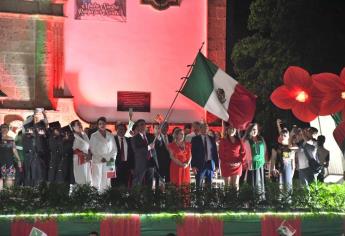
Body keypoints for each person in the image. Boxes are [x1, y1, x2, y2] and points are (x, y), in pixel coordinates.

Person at [90, 117, 117, 192]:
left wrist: (111, 158)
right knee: (97, 177)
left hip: (109, 160)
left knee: (108, 179)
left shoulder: (110, 135)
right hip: (98, 159)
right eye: (100, 124)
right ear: (97, 125)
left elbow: (114, 149)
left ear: (106, 124)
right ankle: (95, 196)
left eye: (103, 123)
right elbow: (92, 149)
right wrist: (101, 158)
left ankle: (106, 194)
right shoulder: (94, 135)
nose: (102, 125)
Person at [191, 123, 219, 188]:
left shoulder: (212, 139)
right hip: (199, 164)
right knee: (199, 184)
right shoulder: (195, 139)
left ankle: (208, 198)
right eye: (203, 127)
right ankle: (199, 197)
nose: (205, 129)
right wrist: (193, 166)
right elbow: (193, 153)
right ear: (200, 129)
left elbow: (215, 153)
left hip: (210, 164)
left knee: (209, 185)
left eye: (207, 127)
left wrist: (217, 165)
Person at [218, 124, 245, 190]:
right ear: (227, 130)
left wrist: (240, 161)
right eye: (230, 128)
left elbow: (243, 152)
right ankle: (227, 200)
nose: (231, 130)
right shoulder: (223, 140)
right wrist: (228, 163)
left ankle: (235, 200)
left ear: (236, 131)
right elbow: (221, 154)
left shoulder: (240, 141)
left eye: (233, 129)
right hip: (226, 165)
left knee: (235, 185)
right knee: (227, 185)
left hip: (237, 165)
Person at [131, 119, 156, 187]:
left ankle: (148, 197)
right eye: (141, 124)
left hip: (150, 162)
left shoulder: (151, 136)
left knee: (149, 183)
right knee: (138, 183)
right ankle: (136, 197)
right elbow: (136, 151)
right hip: (140, 163)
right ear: (138, 127)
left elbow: (158, 145)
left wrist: (158, 136)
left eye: (144, 124)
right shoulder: (134, 138)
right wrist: (148, 147)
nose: (143, 126)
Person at [245, 123, 267, 200]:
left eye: (256, 129)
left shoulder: (261, 139)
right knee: (253, 182)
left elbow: (264, 150)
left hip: (261, 164)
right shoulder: (247, 140)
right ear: (249, 130)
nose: (254, 131)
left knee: (260, 181)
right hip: (252, 164)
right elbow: (246, 153)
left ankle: (261, 199)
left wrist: (264, 161)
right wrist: (249, 162)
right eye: (253, 129)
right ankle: (252, 200)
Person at [271, 129, 296, 193]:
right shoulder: (276, 146)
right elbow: (273, 158)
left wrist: (293, 171)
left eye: (285, 135)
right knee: (279, 189)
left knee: (288, 188)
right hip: (278, 169)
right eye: (281, 135)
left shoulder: (291, 147)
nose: (283, 137)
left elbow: (293, 160)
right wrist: (273, 169)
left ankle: (288, 202)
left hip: (288, 169)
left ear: (288, 137)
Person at [0, 124, 22, 190]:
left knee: (9, 179)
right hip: (1, 161)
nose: (4, 129)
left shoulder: (11, 139)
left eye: (6, 128)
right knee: (1, 179)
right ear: (0, 129)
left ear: (8, 129)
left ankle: (8, 195)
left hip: (9, 161)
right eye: (3, 128)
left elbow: (14, 150)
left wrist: (19, 160)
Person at [112, 123, 134, 187]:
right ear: (116, 130)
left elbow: (131, 154)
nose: (121, 130)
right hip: (116, 166)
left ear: (125, 130)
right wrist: (111, 167)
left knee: (126, 184)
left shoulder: (129, 140)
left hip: (126, 166)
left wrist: (132, 167)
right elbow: (109, 153)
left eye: (123, 129)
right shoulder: (112, 139)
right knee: (115, 185)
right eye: (119, 129)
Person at [71, 120, 92, 185]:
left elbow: (89, 146)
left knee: (87, 176)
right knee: (80, 177)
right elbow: (72, 149)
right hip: (78, 159)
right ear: (73, 127)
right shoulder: (72, 136)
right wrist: (83, 154)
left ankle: (86, 191)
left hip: (86, 159)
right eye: (78, 124)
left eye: (80, 123)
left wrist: (89, 154)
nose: (80, 125)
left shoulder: (84, 134)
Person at [154, 122, 172, 187]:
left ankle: (167, 196)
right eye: (163, 126)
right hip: (159, 164)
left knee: (168, 182)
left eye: (166, 127)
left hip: (169, 164)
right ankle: (158, 196)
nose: (165, 128)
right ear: (160, 127)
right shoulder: (156, 137)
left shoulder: (171, 137)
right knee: (159, 183)